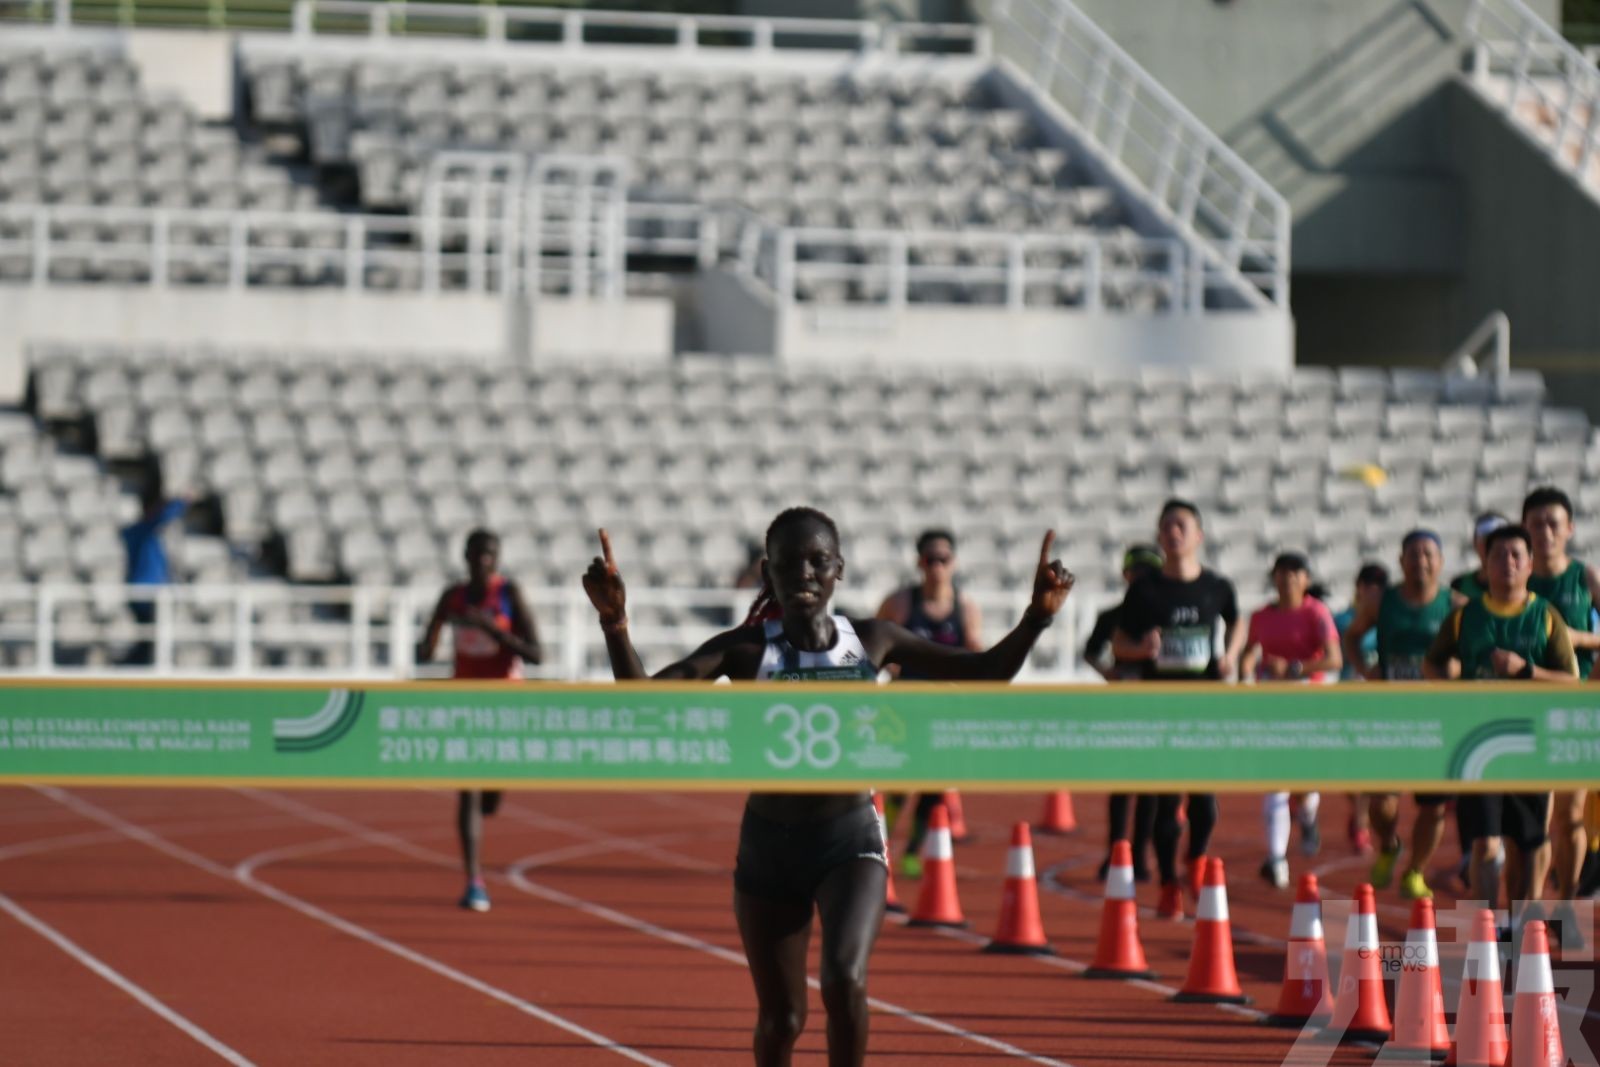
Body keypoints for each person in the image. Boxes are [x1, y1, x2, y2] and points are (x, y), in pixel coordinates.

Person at [582, 509, 1072, 1067]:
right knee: (783, 1018)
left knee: (844, 979)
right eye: (789, 564)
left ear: (839, 568)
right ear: (769, 572)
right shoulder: (745, 649)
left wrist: (1037, 616)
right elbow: (645, 704)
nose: (805, 574)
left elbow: (984, 672)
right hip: (770, 849)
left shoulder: (873, 639)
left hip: (850, 841)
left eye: (818, 561)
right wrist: (615, 624)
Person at [1424, 524, 1577, 927]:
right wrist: (1455, 690)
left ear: (1529, 565)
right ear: (1484, 564)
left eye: (1515, 555)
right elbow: (1432, 662)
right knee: (1485, 844)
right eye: (1497, 555)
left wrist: (1524, 670)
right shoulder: (1465, 617)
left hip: (1531, 745)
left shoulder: (1545, 616)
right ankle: (1486, 933)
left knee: (1527, 845)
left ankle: (1519, 926)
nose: (1506, 563)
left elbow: (1571, 681)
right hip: (1479, 744)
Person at [1112, 499, 1245, 919]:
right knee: (1167, 803)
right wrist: (1140, 648)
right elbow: (1118, 642)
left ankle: (1196, 858)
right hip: (1160, 709)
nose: (1174, 532)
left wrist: (1232, 656)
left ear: (1198, 536)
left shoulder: (1216, 588)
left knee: (1205, 803)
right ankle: (1169, 880)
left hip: (1203, 708)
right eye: (1166, 525)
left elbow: (1237, 620)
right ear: (1159, 536)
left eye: (1181, 525)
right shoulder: (1145, 590)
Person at [416, 529, 542, 913]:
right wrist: (440, 627)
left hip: (505, 702)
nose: (483, 559)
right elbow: (424, 650)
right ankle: (474, 880)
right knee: (467, 788)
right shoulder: (452, 596)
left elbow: (536, 653)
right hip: (464, 702)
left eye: (490, 553)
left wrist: (491, 630)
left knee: (489, 796)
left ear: (497, 557)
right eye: (477, 553)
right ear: (466, 555)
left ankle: (490, 798)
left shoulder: (509, 594)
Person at [1344, 530, 1455, 900]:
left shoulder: (1455, 605)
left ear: (1440, 561)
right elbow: (1352, 636)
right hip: (1391, 717)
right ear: (1400, 559)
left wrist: (1453, 672)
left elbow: (1472, 648)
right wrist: (1365, 667)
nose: (1420, 561)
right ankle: (1389, 845)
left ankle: (1415, 870)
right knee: (1380, 800)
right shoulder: (1382, 601)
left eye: (1428, 554)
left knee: (1433, 807)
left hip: (1437, 720)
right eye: (1413, 554)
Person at [875, 529, 984, 875]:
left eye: (944, 559)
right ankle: (884, 838)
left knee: (935, 784)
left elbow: (977, 653)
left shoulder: (965, 609)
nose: (937, 566)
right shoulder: (901, 603)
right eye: (930, 559)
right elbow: (871, 641)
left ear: (953, 564)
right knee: (900, 779)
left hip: (944, 709)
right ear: (919, 563)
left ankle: (912, 852)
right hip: (905, 706)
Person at [1521, 486, 1598, 940]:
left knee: (1571, 816)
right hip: (1528, 707)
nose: (1546, 532)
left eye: (1554, 523)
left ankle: (1567, 901)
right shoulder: (1517, 579)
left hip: (1576, 707)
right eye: (1536, 523)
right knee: (1537, 814)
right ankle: (1530, 908)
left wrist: (1573, 637)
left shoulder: (1585, 578)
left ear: (1569, 528)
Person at [1241, 552, 1342, 889]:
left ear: (1306, 580)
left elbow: (1334, 659)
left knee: (1304, 781)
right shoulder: (1261, 616)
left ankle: (1309, 814)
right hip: (1272, 708)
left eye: (1294, 573)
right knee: (1276, 782)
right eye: (1281, 573)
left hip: (1309, 707)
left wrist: (1295, 669)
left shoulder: (1316, 613)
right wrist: (1244, 672)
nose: (1286, 579)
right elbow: (1249, 651)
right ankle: (1275, 859)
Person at [1085, 543, 1163, 882]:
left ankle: (1142, 855)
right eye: (1138, 570)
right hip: (1122, 708)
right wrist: (1108, 672)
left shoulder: (1165, 612)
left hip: (1156, 706)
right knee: (1121, 785)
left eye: (1150, 571)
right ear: (1125, 574)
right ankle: (1116, 851)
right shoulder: (1111, 616)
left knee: (1149, 786)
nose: (1143, 577)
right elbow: (1090, 651)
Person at [118, 487, 189, 666]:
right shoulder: (143, 531)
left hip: (144, 591)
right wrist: (183, 500)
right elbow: (162, 518)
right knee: (152, 636)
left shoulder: (139, 532)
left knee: (149, 638)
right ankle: (137, 666)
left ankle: (138, 664)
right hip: (145, 592)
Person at [1450, 512, 1511, 604]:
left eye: (1500, 540)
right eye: (1487, 540)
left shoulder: (1528, 583)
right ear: (1475, 543)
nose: (1493, 546)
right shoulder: (1460, 585)